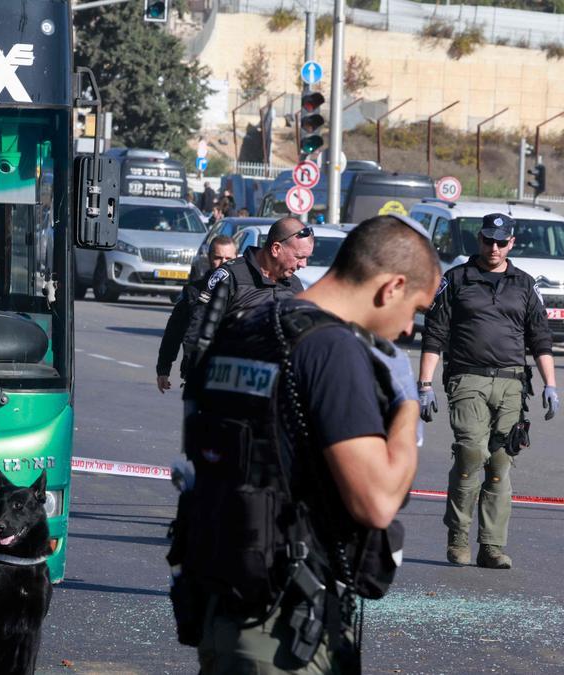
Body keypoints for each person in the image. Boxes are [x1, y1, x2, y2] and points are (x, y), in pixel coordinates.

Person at [170, 215, 440, 672]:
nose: (411, 329)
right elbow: (377, 501)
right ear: (391, 287)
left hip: (228, 600)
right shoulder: (331, 349)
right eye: (416, 309)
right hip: (287, 625)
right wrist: (406, 402)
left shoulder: (248, 327)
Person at [417, 213, 558, 570]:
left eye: (500, 241)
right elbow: (434, 334)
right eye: (487, 240)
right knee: (470, 452)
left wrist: (550, 386)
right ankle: (459, 536)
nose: (492, 247)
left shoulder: (525, 284)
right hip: (467, 379)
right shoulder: (457, 279)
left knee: (499, 463)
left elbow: (540, 338)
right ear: (479, 241)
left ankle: (491, 546)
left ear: (511, 243)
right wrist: (425, 385)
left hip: (512, 384)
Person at [183, 217, 314, 360]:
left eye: (307, 258)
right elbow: (197, 329)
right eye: (299, 257)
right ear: (276, 249)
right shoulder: (230, 276)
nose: (303, 264)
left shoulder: (294, 284)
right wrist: (196, 374)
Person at [156, 235, 237, 392]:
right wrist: (163, 369)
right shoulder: (194, 292)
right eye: (218, 258)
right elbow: (174, 331)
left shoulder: (246, 291)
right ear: (209, 258)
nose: (223, 263)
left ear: (236, 258)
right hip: (197, 371)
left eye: (229, 258)